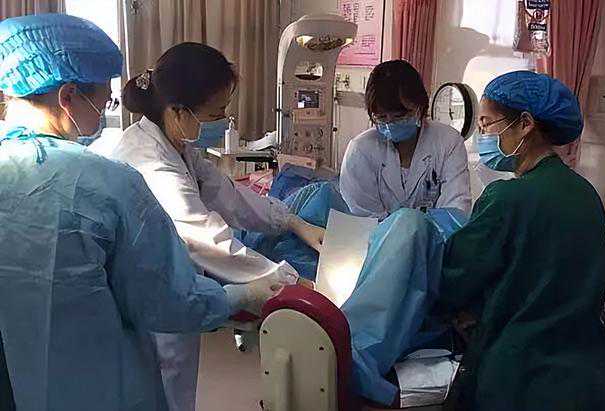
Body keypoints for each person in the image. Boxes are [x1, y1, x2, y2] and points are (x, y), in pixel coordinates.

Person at [0, 13, 284, 411]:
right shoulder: (109, 184)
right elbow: (167, 299)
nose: (106, 108)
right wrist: (240, 295)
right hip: (94, 384)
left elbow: (225, 194)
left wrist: (288, 220)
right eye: (105, 99)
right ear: (68, 97)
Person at [94, 42, 324, 411]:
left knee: (176, 380)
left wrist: (292, 221)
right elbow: (204, 238)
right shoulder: (151, 162)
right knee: (162, 382)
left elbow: (228, 195)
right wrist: (290, 282)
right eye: (216, 112)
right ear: (178, 111)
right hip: (150, 291)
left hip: (172, 284)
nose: (224, 121)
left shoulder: (177, 145)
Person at [440, 71, 605, 410]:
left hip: (521, 376)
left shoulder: (506, 199)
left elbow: (456, 280)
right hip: (588, 377)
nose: (482, 135)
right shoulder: (587, 195)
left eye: (487, 124)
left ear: (525, 124)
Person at [339, 60, 471, 220]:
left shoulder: (448, 142)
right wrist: (396, 231)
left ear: (419, 108)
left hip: (435, 236)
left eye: (399, 116)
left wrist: (420, 229)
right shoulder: (361, 150)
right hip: (375, 236)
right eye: (381, 117)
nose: (390, 124)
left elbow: (455, 210)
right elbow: (361, 218)